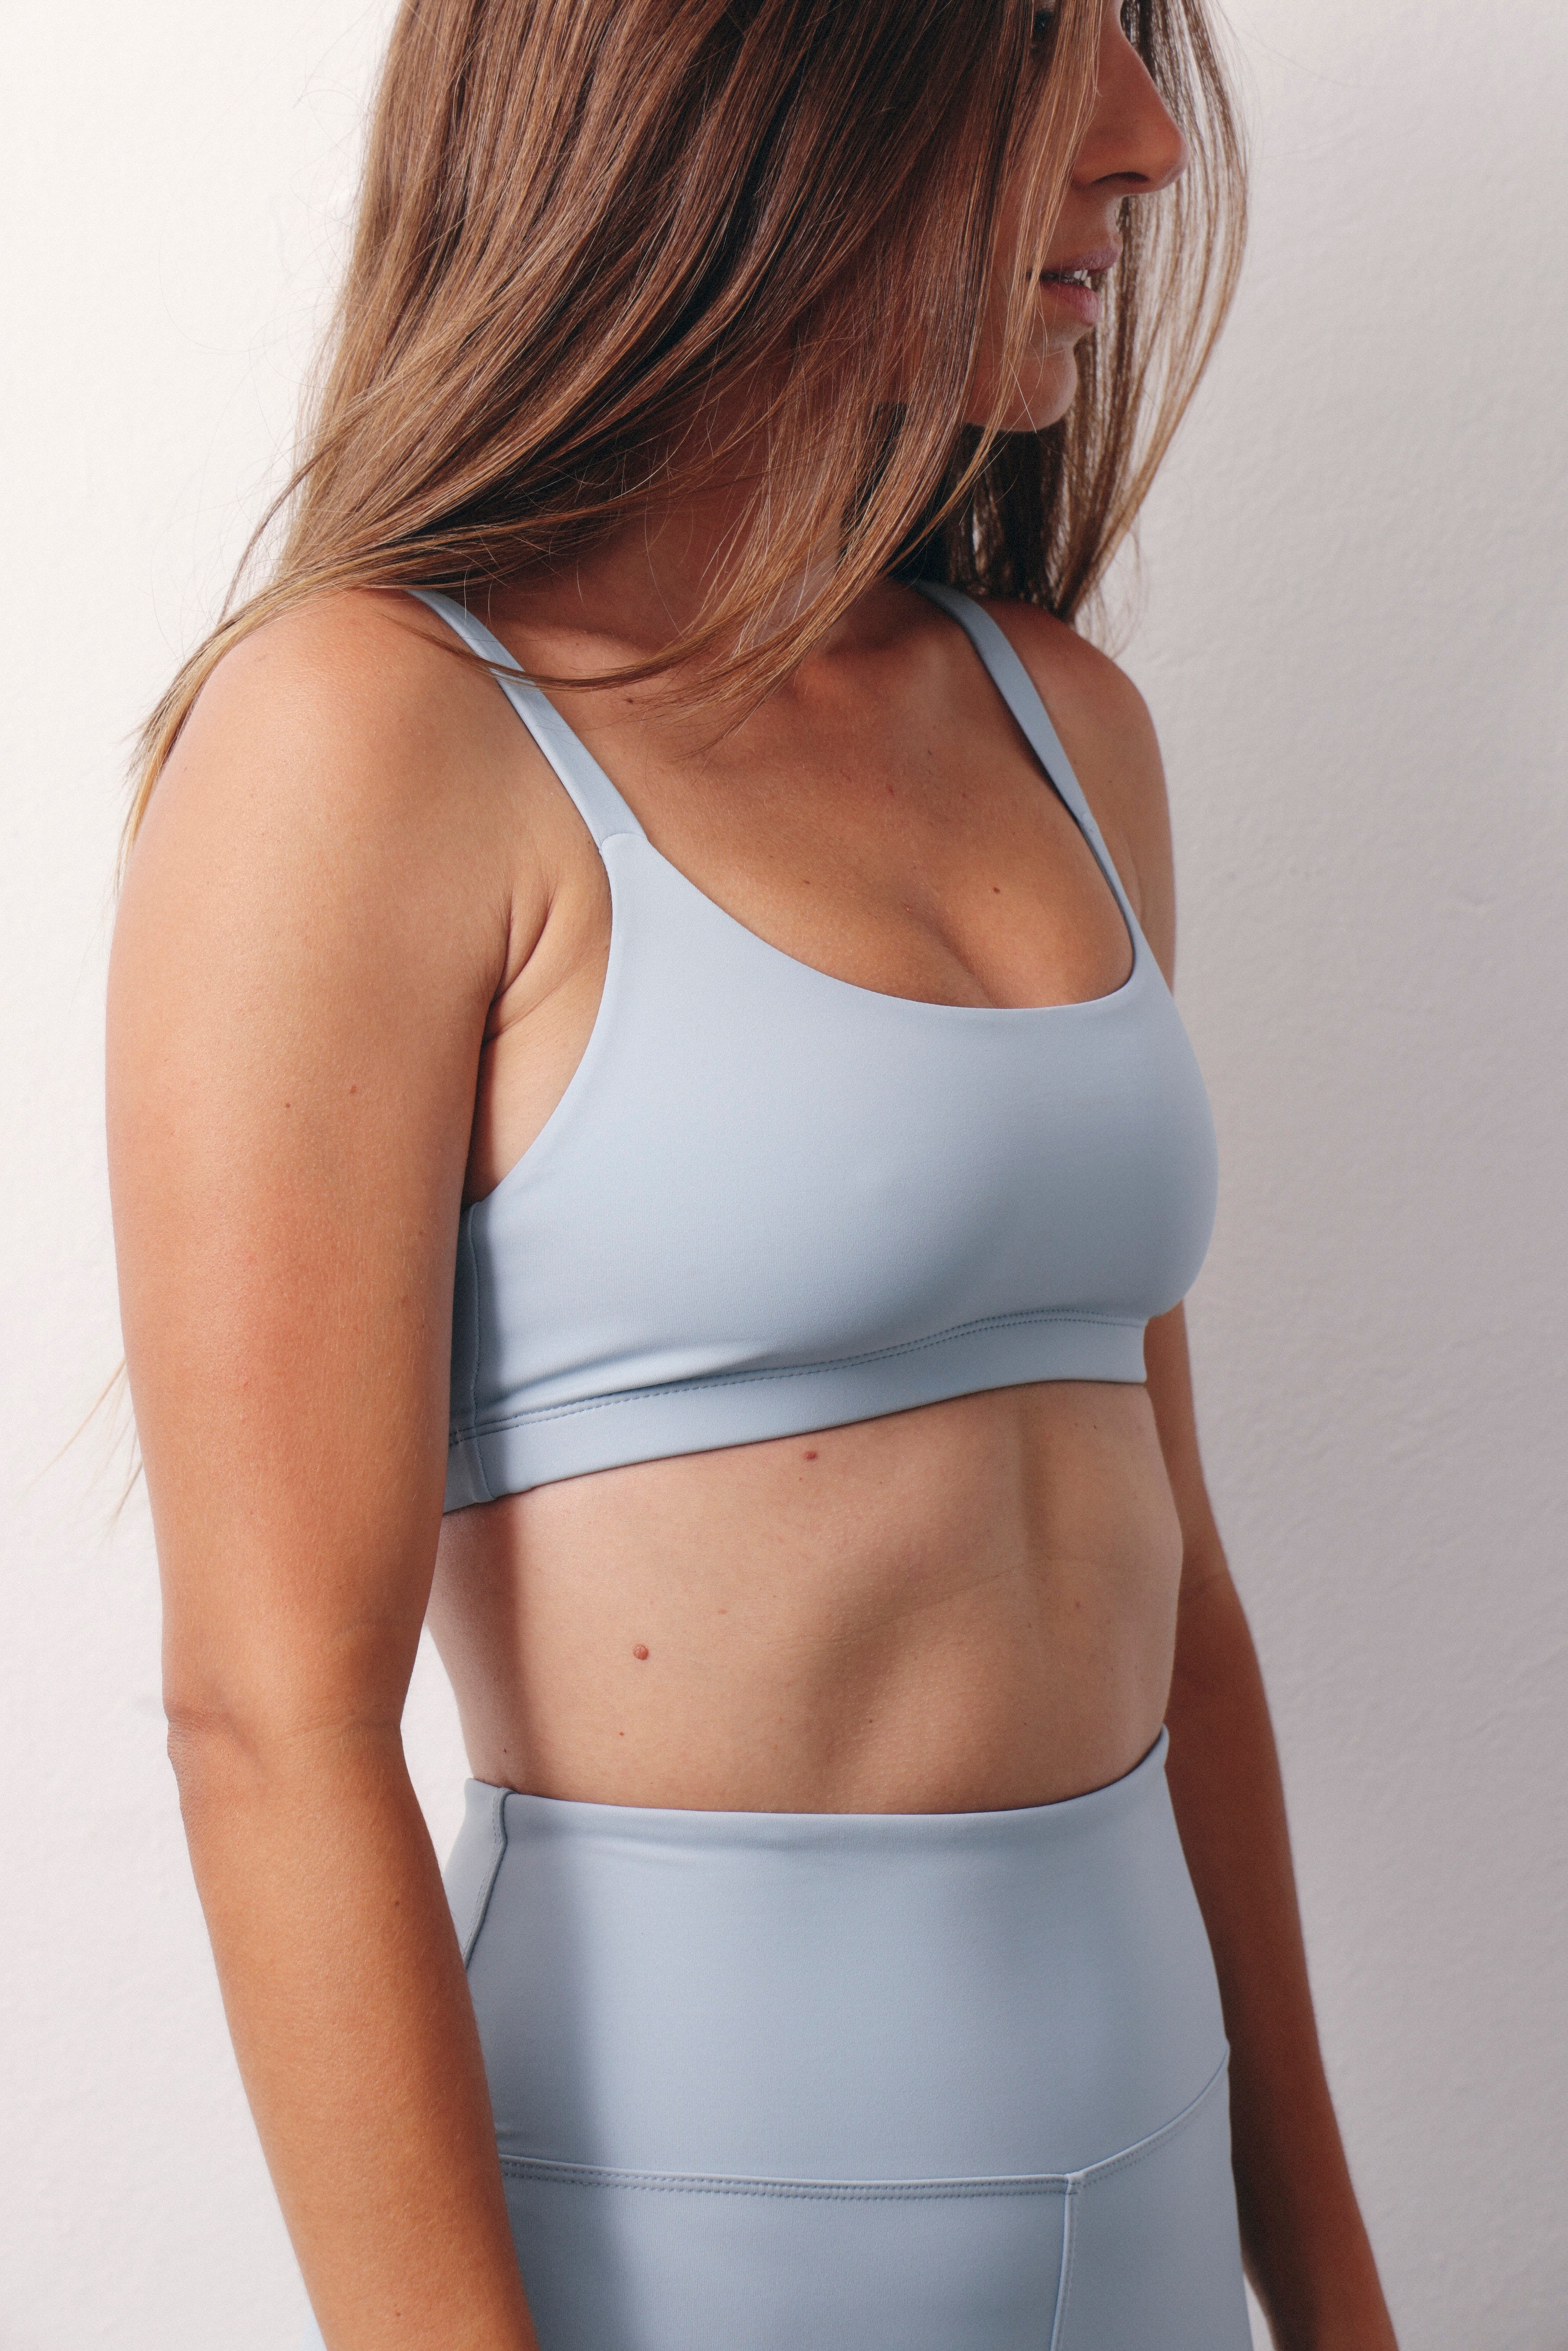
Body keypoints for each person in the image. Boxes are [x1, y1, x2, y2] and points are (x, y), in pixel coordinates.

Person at [106, 0, 1400, 2344]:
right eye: (1055, 42)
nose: (1141, 141)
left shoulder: (1059, 724)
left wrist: (1330, 2295)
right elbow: (269, 1717)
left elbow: (1175, 1592)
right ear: (760, 77)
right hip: (678, 2245)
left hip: (1141, 2207)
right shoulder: (364, 739)